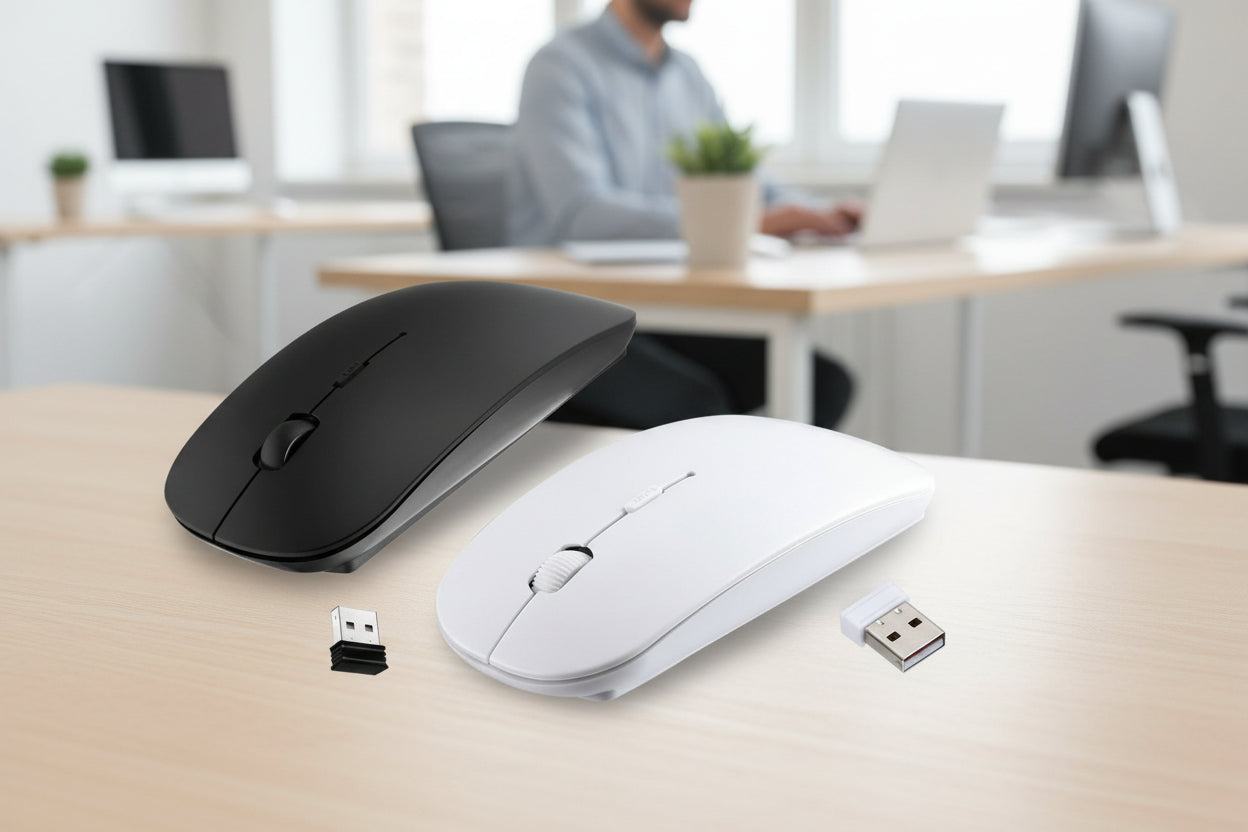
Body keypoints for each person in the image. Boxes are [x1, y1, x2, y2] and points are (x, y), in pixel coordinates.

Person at [507, 0, 857, 429]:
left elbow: (743, 177)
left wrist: (823, 215)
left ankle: (755, 495)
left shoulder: (688, 77)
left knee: (823, 382)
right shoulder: (560, 65)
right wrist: (747, 221)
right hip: (568, 324)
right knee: (695, 402)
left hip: (658, 308)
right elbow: (583, 214)